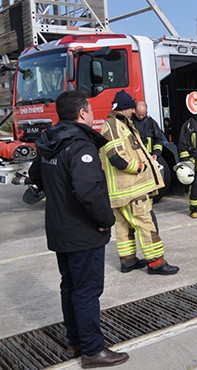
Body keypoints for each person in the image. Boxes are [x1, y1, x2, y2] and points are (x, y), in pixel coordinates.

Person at [28, 91, 129, 367]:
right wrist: (106, 219)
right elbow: (88, 191)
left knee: (70, 287)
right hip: (83, 231)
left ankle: (75, 342)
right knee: (86, 291)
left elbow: (35, 175)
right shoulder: (80, 144)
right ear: (83, 113)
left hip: (59, 229)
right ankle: (93, 351)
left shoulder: (50, 141)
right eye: (90, 110)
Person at [100, 90, 179, 275]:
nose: (134, 112)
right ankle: (156, 263)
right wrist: (140, 167)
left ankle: (128, 261)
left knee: (124, 226)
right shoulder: (113, 125)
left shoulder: (118, 124)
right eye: (132, 108)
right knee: (146, 224)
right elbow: (117, 158)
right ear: (125, 108)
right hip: (130, 189)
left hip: (122, 191)